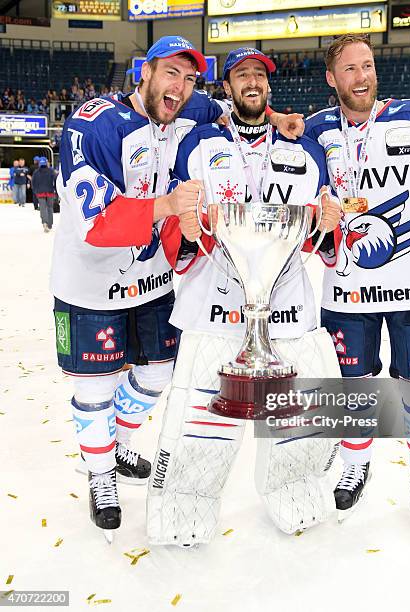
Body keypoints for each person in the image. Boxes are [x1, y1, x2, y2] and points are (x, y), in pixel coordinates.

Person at [147, 48, 342, 547]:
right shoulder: (199, 140)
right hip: (215, 305)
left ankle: (295, 492)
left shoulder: (307, 148)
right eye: (241, 75)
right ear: (227, 88)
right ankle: (183, 511)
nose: (252, 82)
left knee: (302, 413)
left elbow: (329, 227)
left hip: (287, 309)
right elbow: (175, 214)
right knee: (200, 417)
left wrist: (328, 219)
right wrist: (184, 226)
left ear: (269, 87)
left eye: (260, 74)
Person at [50, 36, 234, 540]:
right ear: (142, 73)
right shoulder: (93, 124)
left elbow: (219, 106)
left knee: (157, 374)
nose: (180, 87)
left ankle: (123, 439)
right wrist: (171, 205)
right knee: (95, 389)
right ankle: (101, 473)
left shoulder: (183, 108)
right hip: (88, 285)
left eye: (190, 77)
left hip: (151, 281)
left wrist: (281, 117)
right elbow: (97, 219)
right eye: (170, 73)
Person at [302, 34, 410, 523]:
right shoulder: (316, 131)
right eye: (351, 69)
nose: (363, 77)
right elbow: (300, 195)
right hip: (346, 289)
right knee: (351, 386)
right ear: (331, 79)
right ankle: (356, 464)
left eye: (368, 65)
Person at [31, 157, 57, 232]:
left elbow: (33, 182)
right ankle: (50, 224)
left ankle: (44, 222)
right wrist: (55, 189)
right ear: (46, 163)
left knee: (42, 208)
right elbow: (55, 180)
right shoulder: (51, 171)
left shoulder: (36, 172)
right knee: (50, 208)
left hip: (40, 192)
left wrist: (35, 191)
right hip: (50, 192)